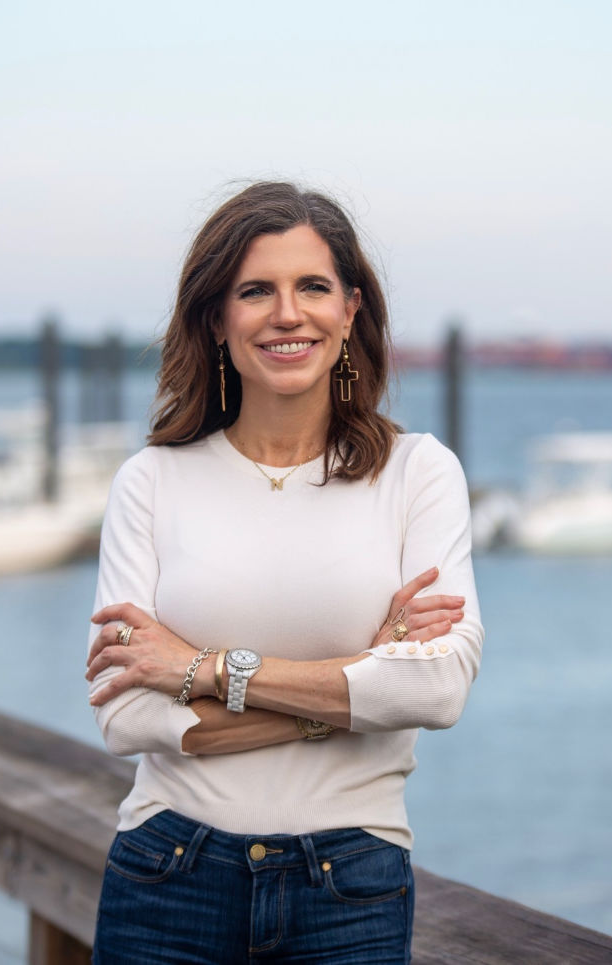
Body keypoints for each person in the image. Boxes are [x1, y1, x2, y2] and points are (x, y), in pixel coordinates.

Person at [83, 181, 483, 964]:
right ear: (216, 318)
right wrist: (357, 686)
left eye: (312, 287)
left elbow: (436, 689)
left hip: (350, 884)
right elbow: (124, 716)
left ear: (350, 309)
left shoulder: (417, 473)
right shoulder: (152, 481)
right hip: (168, 872)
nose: (287, 313)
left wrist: (200, 668)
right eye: (255, 290)